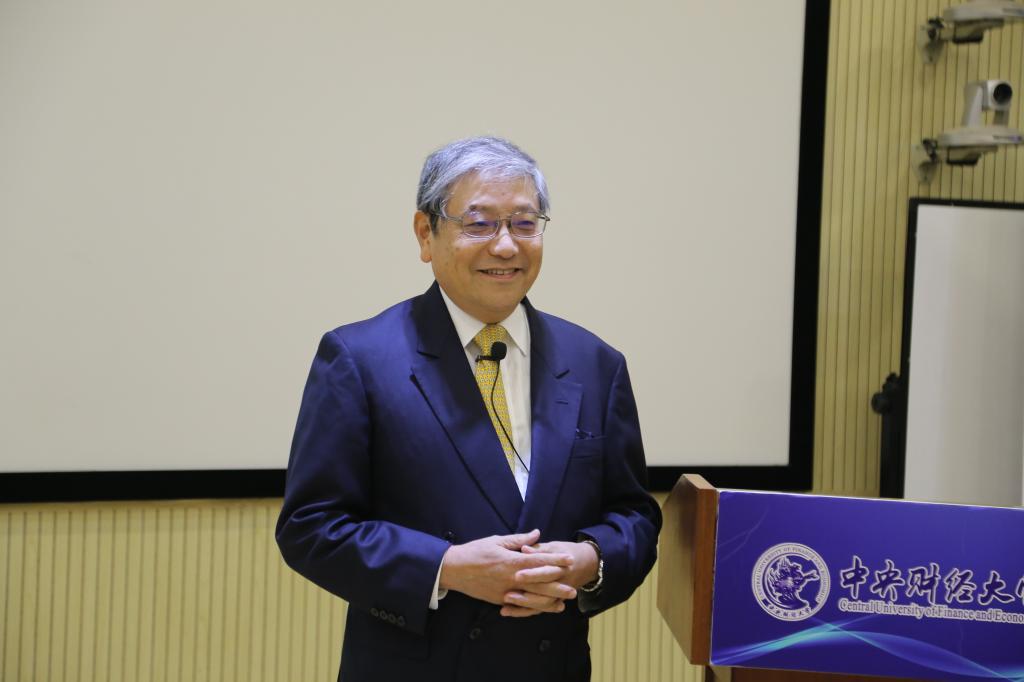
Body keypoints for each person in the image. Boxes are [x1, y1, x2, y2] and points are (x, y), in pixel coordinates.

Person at [276, 136, 661, 682]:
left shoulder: (595, 363)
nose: (505, 246)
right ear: (425, 234)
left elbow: (634, 516)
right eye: (478, 224)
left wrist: (590, 560)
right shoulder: (359, 359)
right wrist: (447, 567)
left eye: (524, 223)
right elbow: (311, 528)